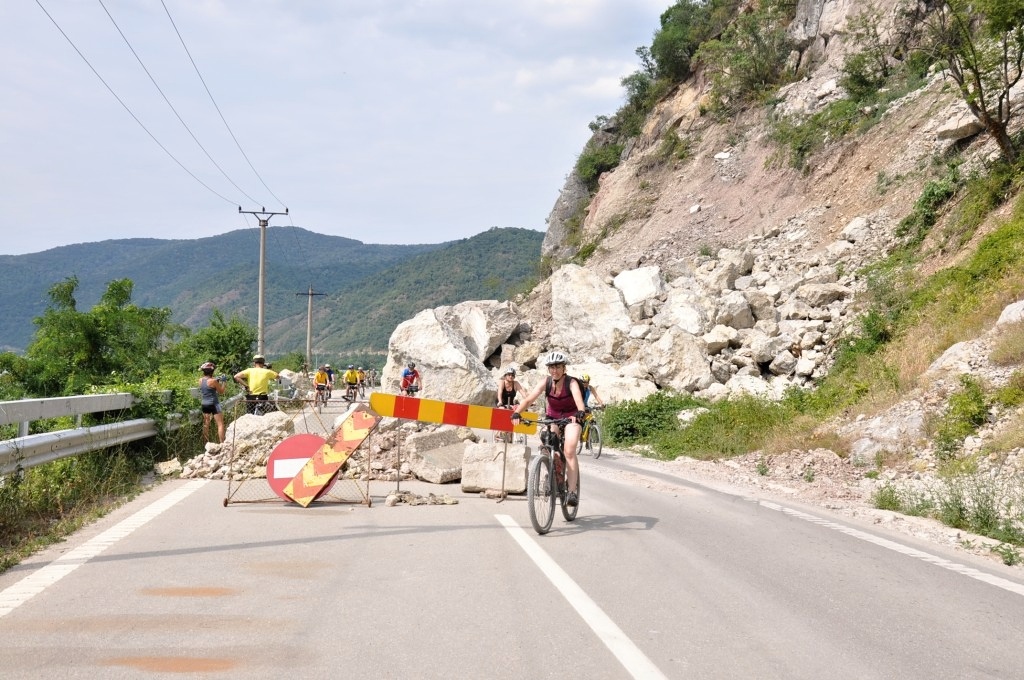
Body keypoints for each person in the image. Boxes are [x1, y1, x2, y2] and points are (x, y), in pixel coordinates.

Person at [510, 351, 587, 507]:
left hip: (572, 417)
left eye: (558, 367)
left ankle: (572, 491)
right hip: (553, 417)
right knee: (547, 441)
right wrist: (517, 412)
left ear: (564, 368)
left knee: (569, 450)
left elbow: (579, 402)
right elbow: (529, 399)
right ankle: (551, 473)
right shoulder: (546, 382)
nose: (554, 370)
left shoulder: (571, 383)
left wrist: (580, 412)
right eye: (551, 367)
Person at [198, 361, 226, 443]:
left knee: (206, 424)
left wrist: (216, 379)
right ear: (212, 371)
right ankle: (222, 443)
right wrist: (224, 382)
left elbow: (208, 385)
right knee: (220, 424)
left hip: (204, 404)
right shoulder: (213, 381)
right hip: (214, 404)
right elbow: (221, 391)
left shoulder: (200, 380)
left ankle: (205, 442)